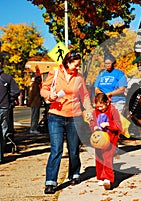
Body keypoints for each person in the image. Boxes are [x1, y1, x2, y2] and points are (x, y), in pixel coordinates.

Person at [40, 51, 93, 194]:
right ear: (67, 62)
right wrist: (48, 95)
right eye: (75, 65)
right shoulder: (55, 73)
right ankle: (50, 182)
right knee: (56, 149)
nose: (77, 68)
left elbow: (85, 96)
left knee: (74, 149)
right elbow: (43, 89)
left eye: (78, 66)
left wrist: (89, 110)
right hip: (56, 116)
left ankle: (74, 173)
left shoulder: (79, 77)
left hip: (75, 117)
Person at [90, 93, 122, 190]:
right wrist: (94, 127)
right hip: (99, 140)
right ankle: (101, 176)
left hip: (110, 139)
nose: (100, 108)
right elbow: (92, 122)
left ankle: (108, 178)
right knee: (99, 158)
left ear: (107, 102)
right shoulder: (95, 112)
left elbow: (118, 125)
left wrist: (108, 124)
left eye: (102, 106)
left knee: (107, 158)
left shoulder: (113, 110)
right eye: (98, 106)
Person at [0, 62, 20, 163]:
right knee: (3, 132)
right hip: (4, 107)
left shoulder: (6, 78)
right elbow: (16, 91)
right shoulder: (7, 78)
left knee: (3, 131)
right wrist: (9, 100)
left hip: (4, 107)